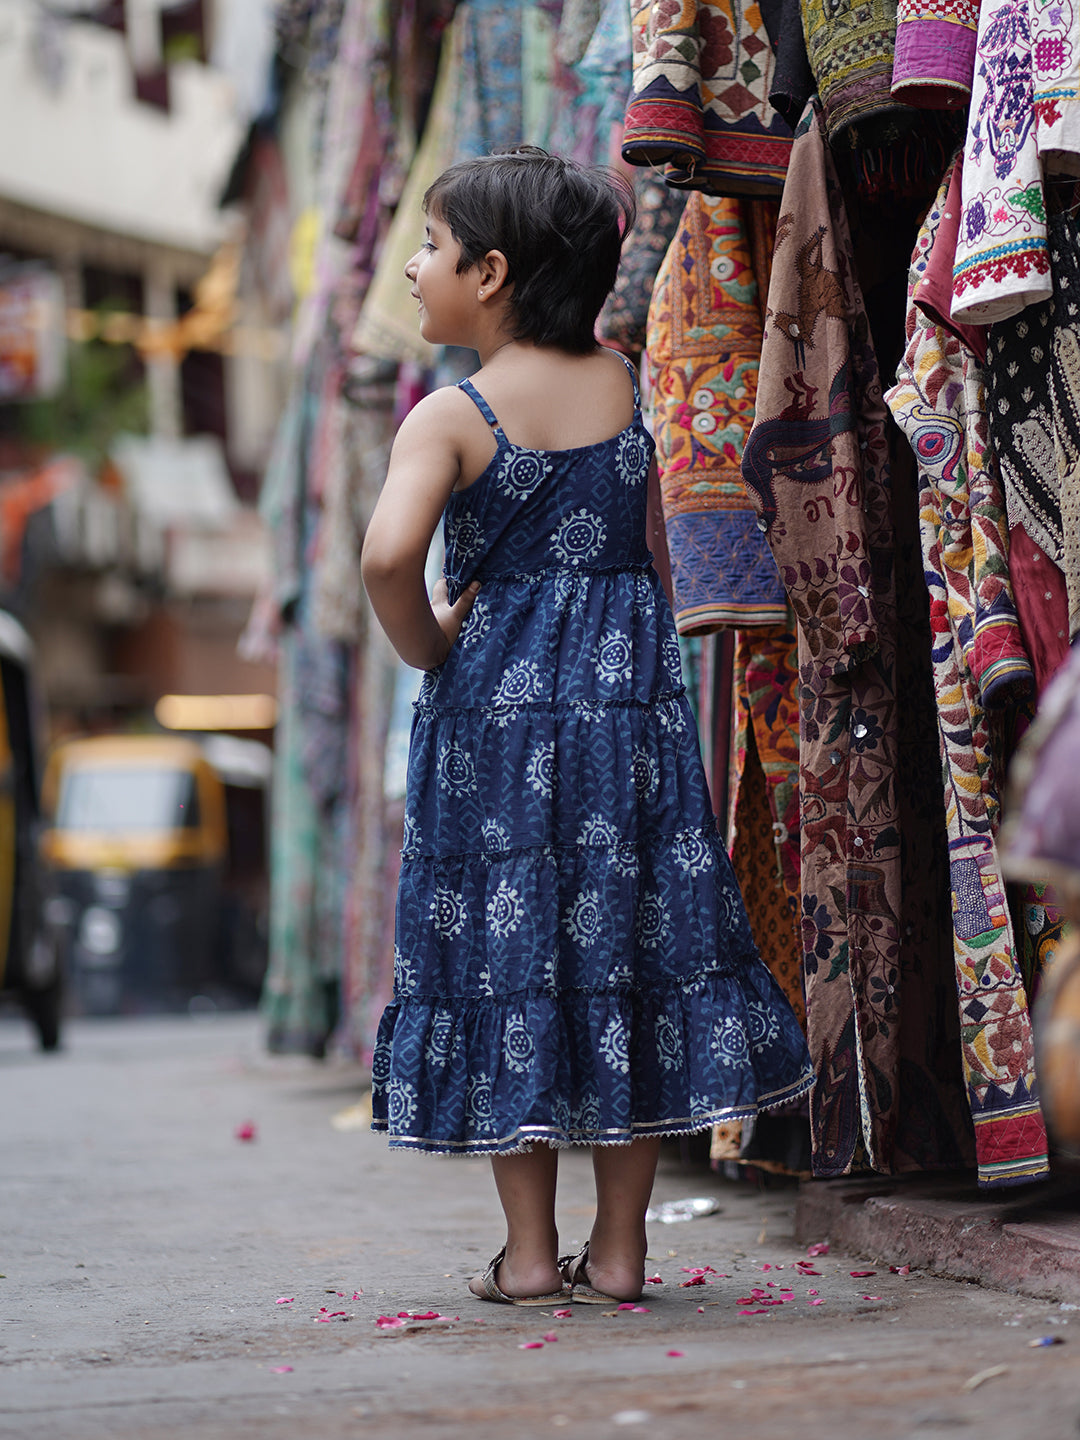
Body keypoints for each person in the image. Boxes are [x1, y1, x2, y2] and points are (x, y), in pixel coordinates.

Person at [360, 146, 814, 1308]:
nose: (412, 270)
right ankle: (621, 1254)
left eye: (429, 246)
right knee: (630, 962)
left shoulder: (452, 416)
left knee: (510, 969)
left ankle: (526, 1258)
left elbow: (385, 556)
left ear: (494, 273)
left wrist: (426, 645)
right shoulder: (627, 390)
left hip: (496, 740)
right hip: (628, 723)